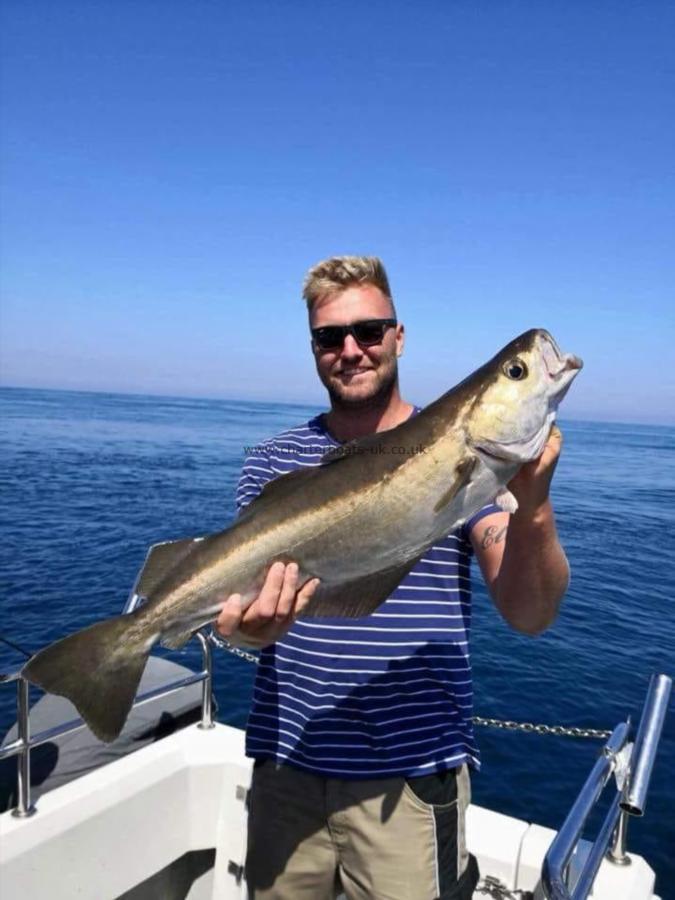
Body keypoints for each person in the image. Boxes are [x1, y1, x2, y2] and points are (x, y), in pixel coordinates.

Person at [215, 256, 570, 900]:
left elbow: (530, 612)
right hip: (283, 773)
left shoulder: (472, 467)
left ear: (398, 336)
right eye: (331, 337)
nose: (352, 350)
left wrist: (535, 502)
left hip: (408, 783)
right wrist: (247, 632)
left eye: (370, 331)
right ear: (315, 349)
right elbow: (248, 631)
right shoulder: (272, 467)